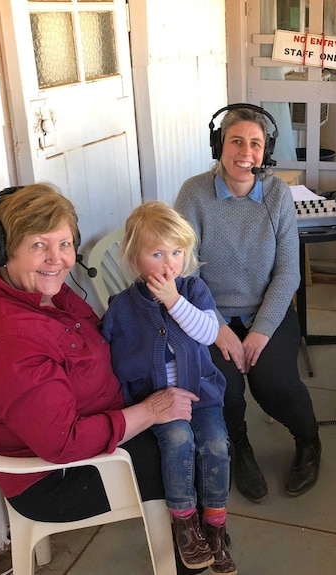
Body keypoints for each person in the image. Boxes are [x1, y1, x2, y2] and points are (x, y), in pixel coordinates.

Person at [0, 184, 206, 575]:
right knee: (189, 452)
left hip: (89, 435)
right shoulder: (8, 341)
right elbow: (62, 442)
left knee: (192, 425)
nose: (57, 259)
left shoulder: (45, 296)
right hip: (55, 479)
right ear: (2, 250)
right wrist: (151, 410)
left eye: (64, 244)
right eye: (38, 245)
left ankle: (193, 535)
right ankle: (190, 560)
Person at [174, 103, 321, 503]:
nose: (245, 152)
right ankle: (239, 449)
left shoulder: (277, 194)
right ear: (218, 144)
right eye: (236, 140)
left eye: (255, 143)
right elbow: (185, 273)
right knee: (227, 386)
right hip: (209, 313)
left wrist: (259, 331)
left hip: (264, 311)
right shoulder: (194, 193)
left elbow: (288, 272)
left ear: (265, 151)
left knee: (275, 381)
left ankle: (309, 441)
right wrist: (217, 327)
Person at [101, 201, 235, 574]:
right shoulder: (123, 307)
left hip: (202, 396)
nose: (168, 263)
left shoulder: (193, 290)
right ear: (134, 258)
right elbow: (106, 355)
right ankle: (185, 523)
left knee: (215, 445)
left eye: (176, 252)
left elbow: (209, 332)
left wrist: (174, 301)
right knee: (177, 442)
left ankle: (216, 525)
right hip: (157, 403)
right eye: (156, 253)